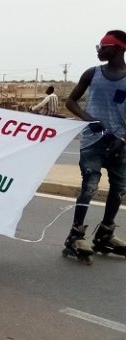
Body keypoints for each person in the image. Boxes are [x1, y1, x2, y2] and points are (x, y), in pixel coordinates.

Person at [64, 30, 126, 264]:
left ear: (118, 48)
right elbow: (71, 101)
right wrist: (88, 118)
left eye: (104, 46)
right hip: (92, 140)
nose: (99, 50)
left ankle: (105, 233)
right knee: (89, 185)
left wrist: (123, 139)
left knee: (118, 189)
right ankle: (75, 235)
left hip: (120, 142)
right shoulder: (92, 73)